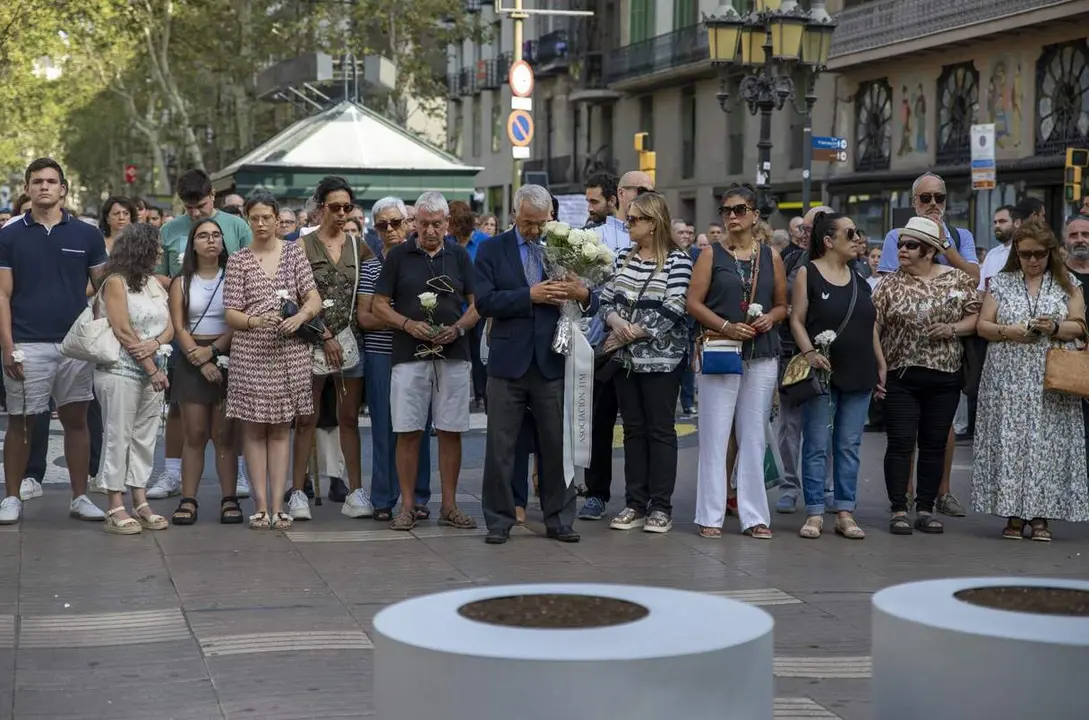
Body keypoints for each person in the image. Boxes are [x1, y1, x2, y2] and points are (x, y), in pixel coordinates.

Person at [476, 184, 597, 544]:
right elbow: (484, 301)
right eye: (529, 222)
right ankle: (499, 520)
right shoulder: (491, 249)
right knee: (501, 445)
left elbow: (590, 297)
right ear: (515, 214)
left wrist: (580, 292)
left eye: (542, 223)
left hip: (551, 360)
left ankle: (560, 518)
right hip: (508, 361)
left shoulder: (562, 246)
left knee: (556, 445)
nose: (535, 230)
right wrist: (529, 295)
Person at [0, 158, 107, 525]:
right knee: (21, 421)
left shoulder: (87, 235)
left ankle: (80, 497)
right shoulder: (9, 236)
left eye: (51, 181)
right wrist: (8, 346)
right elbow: (1, 295)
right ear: (27, 189)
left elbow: (107, 286)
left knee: (77, 420)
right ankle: (12, 497)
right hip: (27, 343)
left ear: (63, 189)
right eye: (37, 181)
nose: (44, 186)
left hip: (75, 344)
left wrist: (99, 332)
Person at [973, 218, 1089, 541]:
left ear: (1050, 252)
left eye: (1039, 254)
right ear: (1017, 254)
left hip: (1050, 377)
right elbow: (983, 325)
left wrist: (1053, 327)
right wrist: (1007, 331)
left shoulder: (1068, 283)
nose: (1033, 260)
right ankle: (1012, 515)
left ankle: (1040, 517)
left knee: (1046, 446)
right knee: (1011, 443)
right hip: (1007, 378)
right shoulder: (1001, 282)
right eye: (1026, 254)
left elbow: (1080, 326)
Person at [373, 191, 478, 532]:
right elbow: (378, 304)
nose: (430, 231)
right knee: (408, 430)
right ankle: (407, 507)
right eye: (424, 224)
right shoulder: (399, 256)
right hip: (408, 354)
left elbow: (478, 304)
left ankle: (449, 505)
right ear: (413, 223)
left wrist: (460, 328)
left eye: (437, 224)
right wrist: (407, 323)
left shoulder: (460, 256)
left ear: (447, 224)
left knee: (451, 430)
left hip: (453, 355)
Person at [687, 184, 787, 539]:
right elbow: (694, 303)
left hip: (761, 353)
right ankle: (710, 515)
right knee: (715, 435)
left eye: (740, 209)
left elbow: (781, 304)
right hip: (720, 350)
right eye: (726, 211)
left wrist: (770, 319)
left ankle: (754, 515)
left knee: (754, 435)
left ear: (755, 215)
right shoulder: (710, 255)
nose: (732, 216)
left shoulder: (770, 256)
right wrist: (727, 326)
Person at [150, 169, 253, 501]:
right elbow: (158, 276)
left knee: (230, 411)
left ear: (213, 196)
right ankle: (171, 472)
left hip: (229, 332)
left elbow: (250, 271)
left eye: (201, 206)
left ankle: (233, 475)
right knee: (180, 409)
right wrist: (183, 282)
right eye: (188, 208)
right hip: (183, 328)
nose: (194, 214)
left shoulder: (237, 227)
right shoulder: (169, 230)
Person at [872, 217, 979, 536]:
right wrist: (879, 365)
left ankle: (926, 508)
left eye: (910, 245)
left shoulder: (958, 279)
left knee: (933, 444)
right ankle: (898, 509)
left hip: (945, 375)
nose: (902, 250)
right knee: (901, 443)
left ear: (930, 251)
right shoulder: (889, 283)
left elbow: (975, 318)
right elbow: (873, 328)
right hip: (901, 375)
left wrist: (951, 328)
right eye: (900, 244)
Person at [223, 191, 321, 530]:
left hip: (289, 352)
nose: (262, 224)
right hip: (251, 352)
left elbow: (313, 296)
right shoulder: (238, 260)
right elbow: (231, 312)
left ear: (277, 218)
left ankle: (279, 505)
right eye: (255, 218)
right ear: (247, 220)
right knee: (253, 431)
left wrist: (302, 316)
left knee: (281, 431)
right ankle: (260, 505)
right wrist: (254, 321)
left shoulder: (294, 253)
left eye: (267, 217)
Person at [599, 192, 692, 533]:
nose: (628, 223)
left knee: (660, 430)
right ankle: (634, 503)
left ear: (653, 224)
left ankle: (661, 507)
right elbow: (606, 298)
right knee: (633, 430)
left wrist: (633, 331)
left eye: (635, 219)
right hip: (625, 360)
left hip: (663, 361)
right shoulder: (623, 256)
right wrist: (616, 324)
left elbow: (674, 307)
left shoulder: (679, 261)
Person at [789, 211, 884, 540]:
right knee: (816, 443)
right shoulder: (808, 273)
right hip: (823, 372)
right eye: (850, 233)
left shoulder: (859, 278)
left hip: (860, 369)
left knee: (848, 445)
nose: (858, 238)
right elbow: (796, 319)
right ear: (828, 241)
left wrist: (880, 362)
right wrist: (809, 353)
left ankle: (845, 511)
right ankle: (815, 511)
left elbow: (869, 325)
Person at [289, 177, 374, 521]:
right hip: (312, 339)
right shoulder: (300, 246)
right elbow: (291, 298)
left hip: (351, 342)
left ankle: (355, 490)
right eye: (334, 207)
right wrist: (323, 334)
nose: (341, 213)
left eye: (347, 207)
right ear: (320, 206)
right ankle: (297, 492)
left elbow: (373, 285)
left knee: (349, 419)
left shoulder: (359, 246)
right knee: (305, 419)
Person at [357, 197, 432, 522]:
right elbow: (364, 317)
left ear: (409, 223)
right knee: (384, 427)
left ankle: (418, 496)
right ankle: (384, 498)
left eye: (396, 223)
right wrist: (403, 321)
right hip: (381, 354)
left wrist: (386, 313)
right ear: (375, 229)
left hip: (418, 353)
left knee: (419, 426)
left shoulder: (421, 262)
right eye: (382, 225)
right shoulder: (372, 267)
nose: (390, 230)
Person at [95, 224, 173, 534]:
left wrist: (155, 347)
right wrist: (151, 367)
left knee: (145, 438)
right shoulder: (115, 282)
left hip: (154, 371)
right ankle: (115, 504)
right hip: (119, 372)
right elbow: (123, 330)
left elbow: (170, 325)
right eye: (157, 246)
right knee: (118, 437)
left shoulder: (154, 283)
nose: (161, 252)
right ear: (141, 248)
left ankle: (139, 498)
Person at [167, 217, 240, 525]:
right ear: (192, 244)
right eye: (203, 236)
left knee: (224, 435)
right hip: (190, 356)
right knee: (194, 433)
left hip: (227, 352)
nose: (211, 240)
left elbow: (238, 320)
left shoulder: (234, 277)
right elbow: (178, 325)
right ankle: (189, 499)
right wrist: (201, 358)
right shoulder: (181, 281)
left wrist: (214, 352)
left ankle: (229, 498)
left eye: (216, 235)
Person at [579, 171, 632, 521]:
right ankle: (596, 493)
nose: (590, 207)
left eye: (595, 200)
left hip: (633, 343)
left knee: (636, 426)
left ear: (614, 199)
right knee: (596, 422)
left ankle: (638, 497)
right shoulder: (583, 235)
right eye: (587, 200)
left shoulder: (637, 234)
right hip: (596, 343)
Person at [775, 205, 834, 514]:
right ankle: (789, 485)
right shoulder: (790, 259)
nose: (808, 234)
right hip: (790, 353)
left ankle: (825, 487)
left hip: (830, 354)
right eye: (806, 228)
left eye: (816, 228)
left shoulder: (845, 262)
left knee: (825, 425)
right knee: (789, 425)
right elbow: (776, 298)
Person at [449, 200, 487, 411]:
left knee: (478, 354)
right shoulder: (448, 242)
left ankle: (481, 394)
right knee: (457, 356)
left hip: (479, 307)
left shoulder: (483, 242)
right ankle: (458, 396)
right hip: (455, 308)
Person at [977, 205, 1017, 291]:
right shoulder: (992, 255)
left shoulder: (1024, 254)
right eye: (995, 222)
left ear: (1016, 223)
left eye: (1002, 221)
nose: (997, 226)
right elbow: (981, 290)